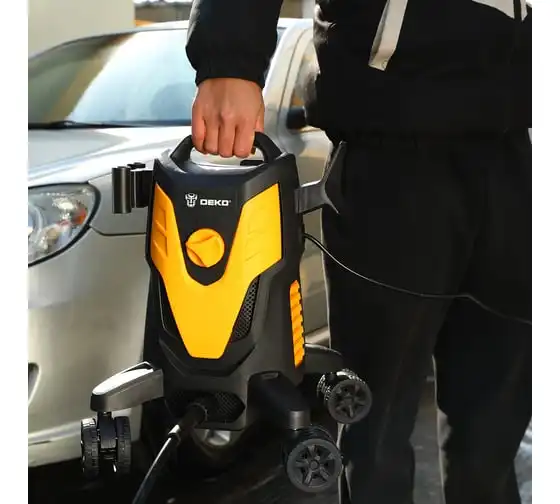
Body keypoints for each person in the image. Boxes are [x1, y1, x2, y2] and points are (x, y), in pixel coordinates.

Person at [185, 1, 532, 503]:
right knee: (375, 427)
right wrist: (229, 61)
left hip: (515, 145)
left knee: (494, 434)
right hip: (393, 145)